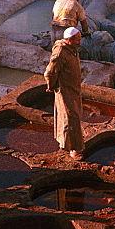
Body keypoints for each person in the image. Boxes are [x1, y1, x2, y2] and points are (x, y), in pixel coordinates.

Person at [44, 26, 84, 160]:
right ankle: (73, 148)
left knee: (70, 115)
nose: (80, 42)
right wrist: (51, 85)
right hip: (65, 90)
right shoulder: (61, 52)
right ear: (68, 39)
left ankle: (63, 142)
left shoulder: (72, 49)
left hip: (73, 88)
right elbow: (50, 71)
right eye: (77, 40)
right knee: (71, 118)